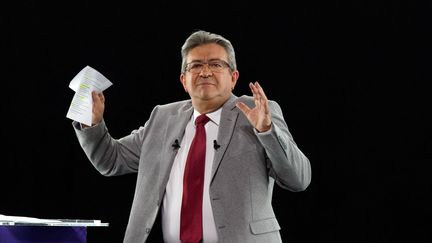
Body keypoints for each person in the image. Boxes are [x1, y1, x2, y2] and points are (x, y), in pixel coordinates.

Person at [72, 30, 311, 243]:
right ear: (184, 80)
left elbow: (298, 179)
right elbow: (110, 161)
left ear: (234, 77)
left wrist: (266, 131)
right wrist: (92, 123)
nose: (205, 72)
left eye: (216, 64)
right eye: (195, 66)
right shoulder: (162, 118)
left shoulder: (259, 112)